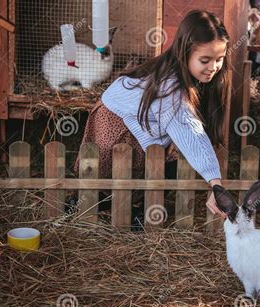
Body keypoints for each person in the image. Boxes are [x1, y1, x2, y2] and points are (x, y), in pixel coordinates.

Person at [74, 10, 230, 218]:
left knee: (172, 156)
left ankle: (133, 206)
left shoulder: (186, 76)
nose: (214, 67)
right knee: (110, 185)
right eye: (205, 60)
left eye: (219, 59)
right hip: (116, 123)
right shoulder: (171, 88)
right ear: (185, 53)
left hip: (136, 121)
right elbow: (192, 133)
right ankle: (86, 206)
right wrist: (215, 182)